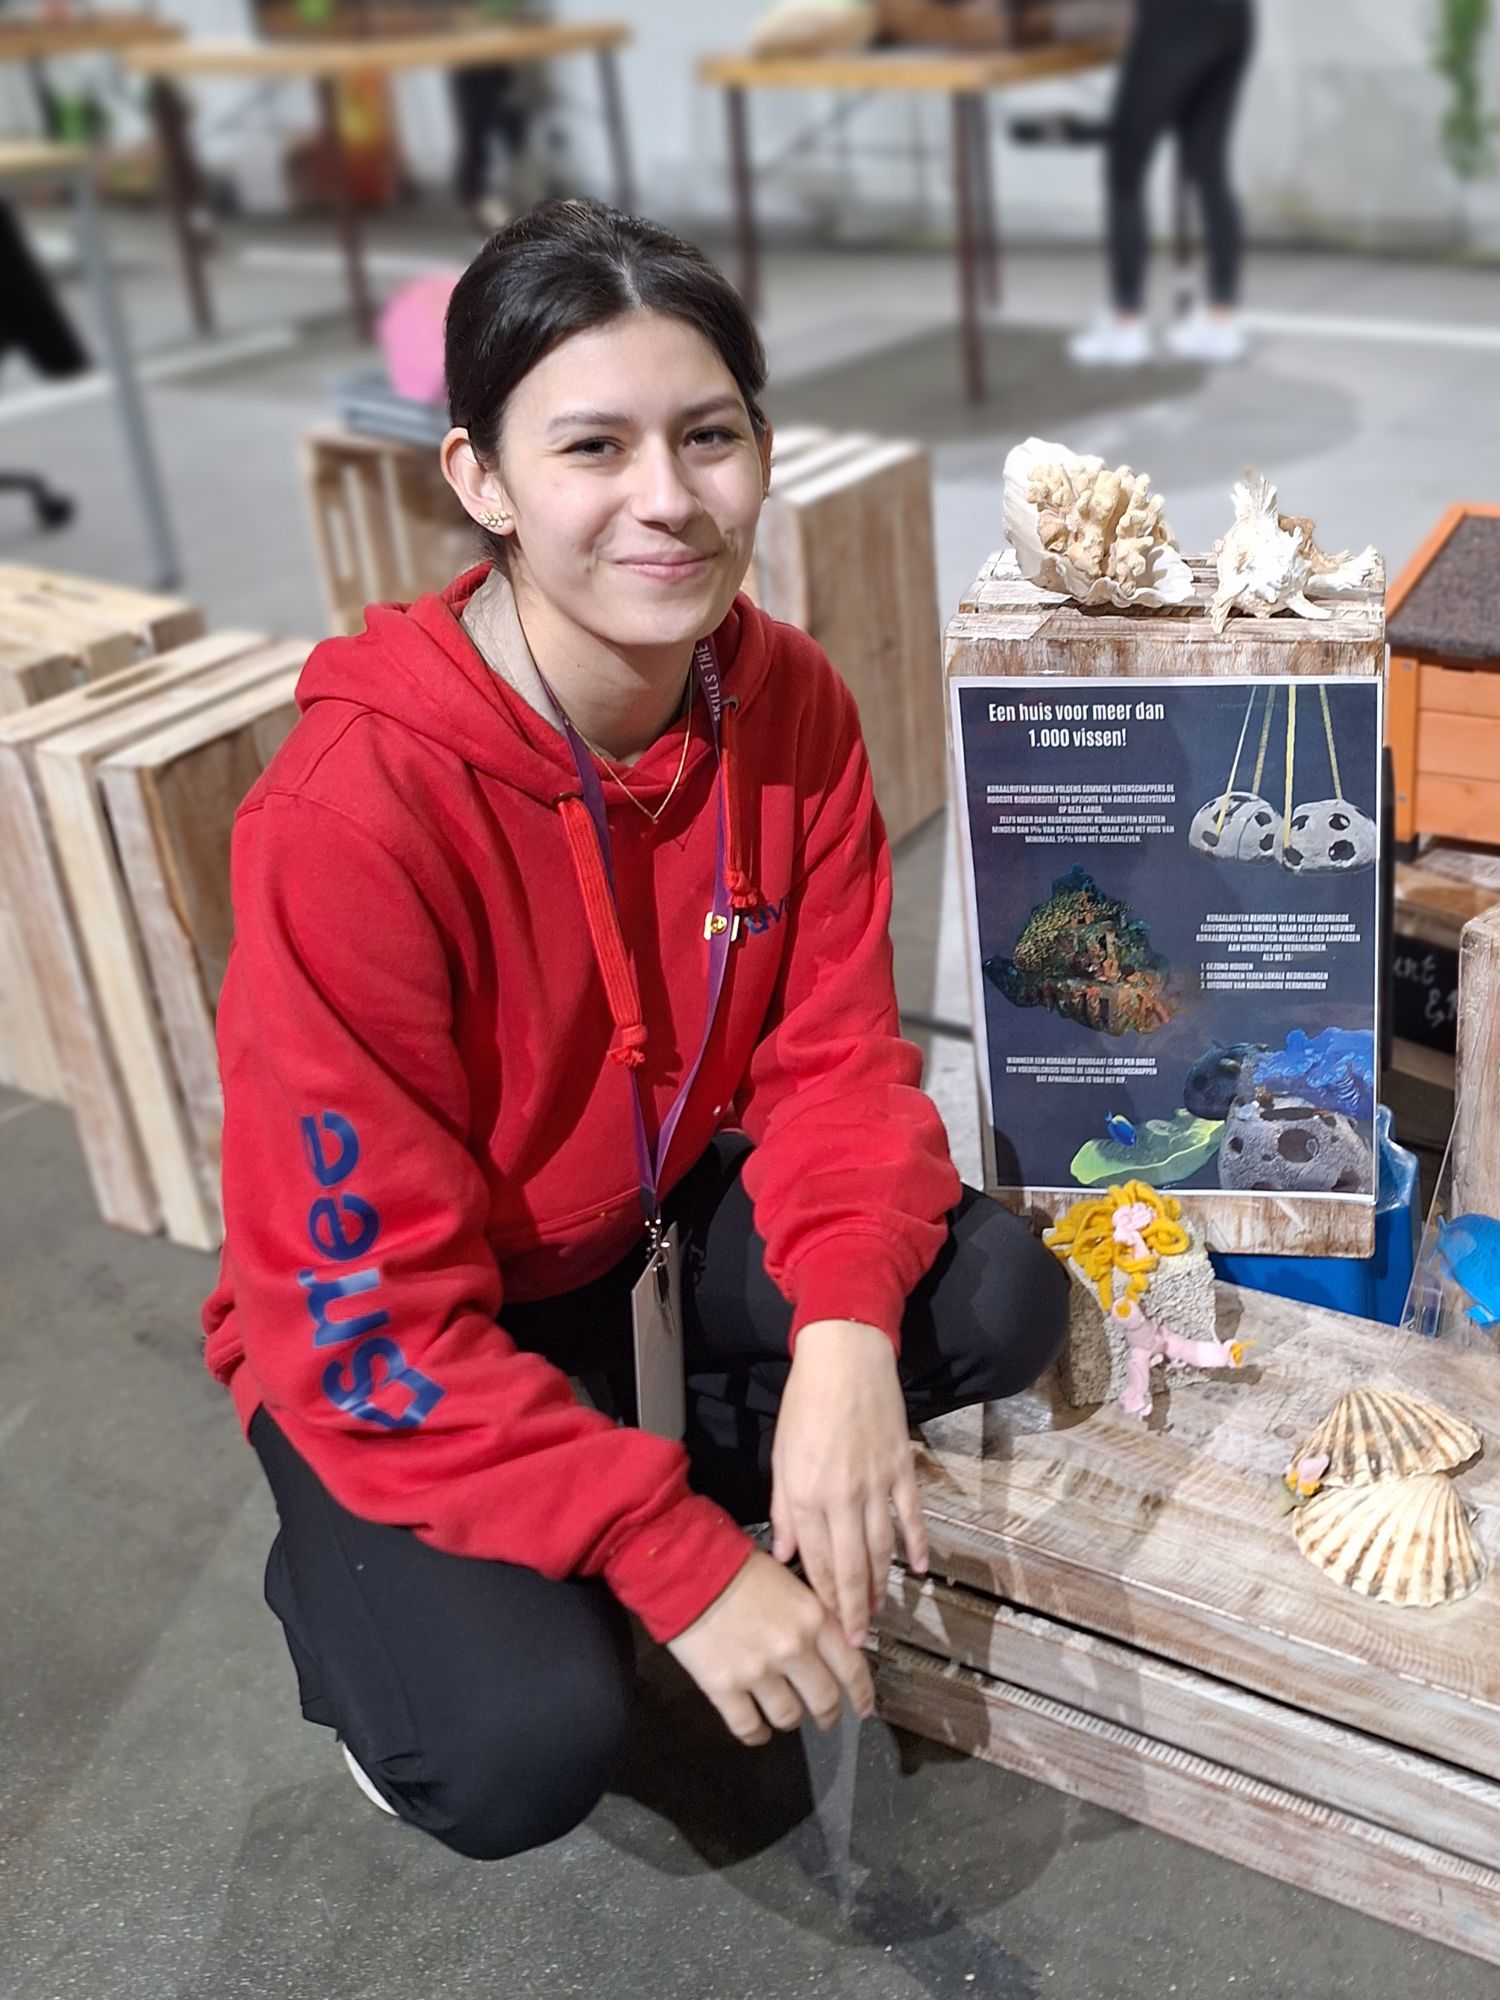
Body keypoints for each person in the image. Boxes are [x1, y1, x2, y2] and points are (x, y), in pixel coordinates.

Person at [204, 197, 1067, 1864]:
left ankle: (613, 1468)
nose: (666, 498)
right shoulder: (351, 813)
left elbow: (835, 1066)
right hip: (398, 1332)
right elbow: (356, 1305)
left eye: (708, 436)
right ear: (481, 480)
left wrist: (843, 1342)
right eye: (592, 446)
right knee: (522, 1746)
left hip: (638, 1240)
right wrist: (678, 1561)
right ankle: (368, 1592)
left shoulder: (786, 699)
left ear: (761, 450)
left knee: (996, 1294)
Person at [1070, 0, 1254, 367]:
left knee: (1124, 173)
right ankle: (1221, 321)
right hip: (1233, 18)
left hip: (1173, 20)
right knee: (1211, 169)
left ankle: (1125, 325)